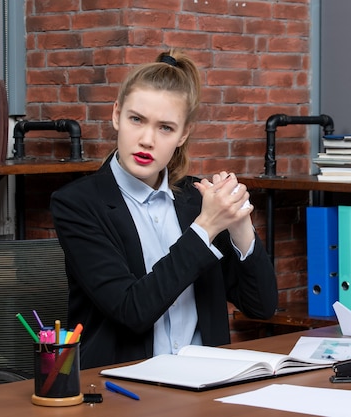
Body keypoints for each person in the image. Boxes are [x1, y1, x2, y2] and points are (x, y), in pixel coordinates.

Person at [50, 49, 278, 369]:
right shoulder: (77, 204)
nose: (147, 139)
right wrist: (206, 228)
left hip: (205, 383)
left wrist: (240, 224)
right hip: (122, 387)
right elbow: (132, 311)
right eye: (136, 120)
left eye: (165, 128)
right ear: (116, 115)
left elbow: (261, 306)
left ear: (183, 135)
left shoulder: (198, 199)